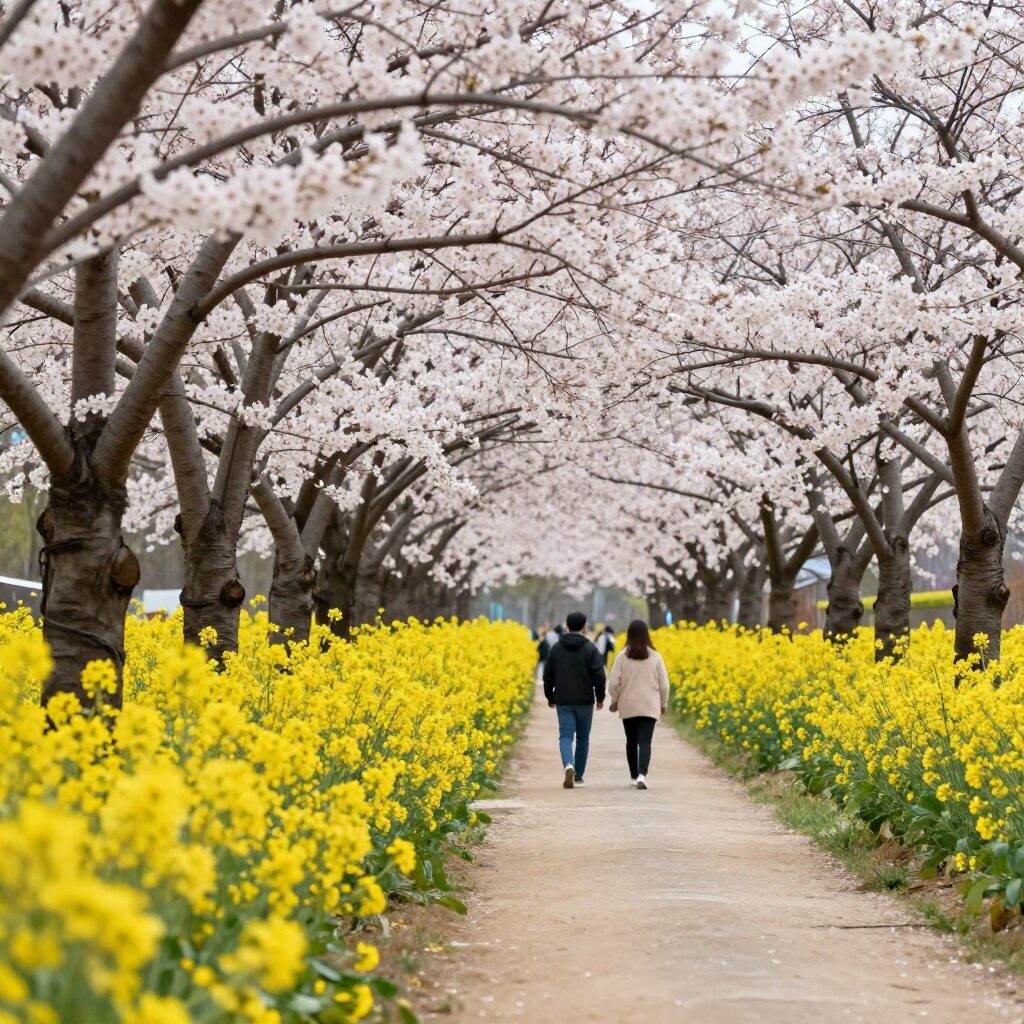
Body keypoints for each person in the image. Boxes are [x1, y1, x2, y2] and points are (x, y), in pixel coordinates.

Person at [543, 611, 606, 788]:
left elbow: (548, 674)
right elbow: (599, 675)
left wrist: (550, 696)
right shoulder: (590, 648)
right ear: (585, 627)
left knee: (565, 735)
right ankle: (578, 775)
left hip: (563, 699)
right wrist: (600, 697)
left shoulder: (556, 649)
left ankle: (568, 764)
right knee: (583, 738)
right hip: (585, 700)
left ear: (567, 627)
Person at [607, 619, 670, 790]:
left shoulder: (622, 656)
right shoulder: (656, 657)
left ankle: (634, 776)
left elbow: (613, 684)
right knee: (645, 741)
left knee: (631, 741)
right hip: (650, 706)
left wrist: (616, 698)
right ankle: (643, 774)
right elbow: (664, 685)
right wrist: (663, 703)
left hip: (629, 705)